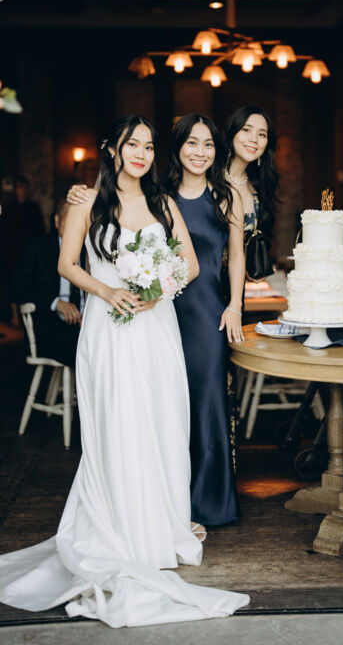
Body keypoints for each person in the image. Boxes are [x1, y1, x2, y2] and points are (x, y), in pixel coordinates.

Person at [0, 115, 249, 626]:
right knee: (118, 423)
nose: (141, 153)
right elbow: (67, 265)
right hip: (109, 329)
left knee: (162, 421)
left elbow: (190, 264)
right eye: (131, 144)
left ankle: (161, 526)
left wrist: (158, 289)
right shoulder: (87, 202)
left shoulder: (163, 202)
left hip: (156, 327)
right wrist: (108, 290)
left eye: (149, 146)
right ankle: (120, 528)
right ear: (112, 149)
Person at [164, 114, 245, 531]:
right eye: (192, 143)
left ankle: (210, 501)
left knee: (209, 402)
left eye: (208, 144)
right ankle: (169, 501)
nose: (200, 152)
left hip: (208, 314)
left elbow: (237, 256)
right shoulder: (158, 196)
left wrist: (235, 306)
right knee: (167, 404)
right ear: (178, 146)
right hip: (161, 313)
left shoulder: (227, 196)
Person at [10, 200, 83, 366]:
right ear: (57, 220)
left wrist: (89, 312)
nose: (74, 226)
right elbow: (15, 289)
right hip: (52, 327)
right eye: (69, 218)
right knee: (88, 347)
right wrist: (55, 303)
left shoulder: (89, 251)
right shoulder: (38, 248)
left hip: (85, 325)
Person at [223, 105, 279, 248]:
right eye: (246, 130)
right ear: (232, 133)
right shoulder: (210, 178)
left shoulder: (258, 187)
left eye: (262, 134)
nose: (254, 139)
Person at [1, 174, 45, 325]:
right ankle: (14, 315)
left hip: (30, 250)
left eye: (24, 187)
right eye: (19, 187)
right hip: (12, 251)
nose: (22, 190)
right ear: (15, 189)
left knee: (30, 280)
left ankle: (30, 312)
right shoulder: (8, 207)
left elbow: (40, 229)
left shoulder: (33, 207)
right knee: (12, 280)